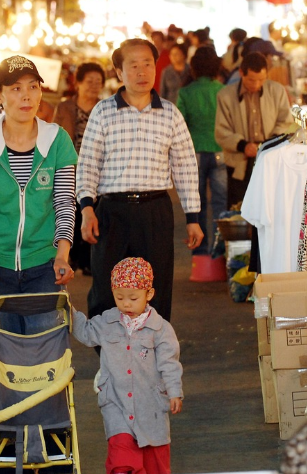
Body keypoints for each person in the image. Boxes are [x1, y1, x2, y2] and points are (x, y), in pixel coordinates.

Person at [0, 55, 77, 472]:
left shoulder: (58, 141)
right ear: (0, 96)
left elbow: (64, 203)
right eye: (16, 88)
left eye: (33, 87)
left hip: (44, 268)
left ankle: (47, 455)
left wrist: (63, 254)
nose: (27, 96)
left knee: (45, 367)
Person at [77, 38, 203, 323]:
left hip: (154, 211)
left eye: (148, 64)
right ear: (119, 73)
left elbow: (185, 165)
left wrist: (192, 216)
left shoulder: (170, 113)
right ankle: (109, 357)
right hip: (111, 211)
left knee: (154, 289)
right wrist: (86, 208)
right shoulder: (103, 112)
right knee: (106, 289)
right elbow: (88, 163)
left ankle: (151, 356)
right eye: (133, 65)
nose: (142, 71)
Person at [71, 257, 183, 474]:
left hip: (150, 406)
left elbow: (169, 363)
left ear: (149, 294)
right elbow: (86, 332)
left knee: (155, 463)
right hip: (116, 401)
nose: (126, 304)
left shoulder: (161, 329)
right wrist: (66, 307)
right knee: (121, 458)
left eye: (133, 298)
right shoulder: (107, 322)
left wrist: (175, 392)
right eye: (119, 297)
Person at [215, 52, 293, 208]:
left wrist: (267, 144)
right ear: (241, 73)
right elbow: (221, 131)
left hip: (271, 161)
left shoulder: (277, 91)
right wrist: (244, 146)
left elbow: (286, 122)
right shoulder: (225, 96)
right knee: (240, 211)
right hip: (239, 164)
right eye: (251, 80)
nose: (256, 85)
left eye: (261, 80)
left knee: (272, 210)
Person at [54, 62, 106, 272]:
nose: (94, 86)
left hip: (98, 170)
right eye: (89, 81)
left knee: (94, 210)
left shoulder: (105, 108)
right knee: (70, 211)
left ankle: (89, 260)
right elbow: (56, 136)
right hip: (69, 167)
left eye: (98, 82)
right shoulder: (65, 107)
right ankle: (72, 257)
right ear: (78, 83)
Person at [176, 46, 226, 256]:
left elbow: (179, 125)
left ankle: (200, 249)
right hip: (220, 151)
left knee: (197, 204)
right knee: (220, 204)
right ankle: (219, 249)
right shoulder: (222, 90)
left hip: (193, 152)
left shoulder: (186, 92)